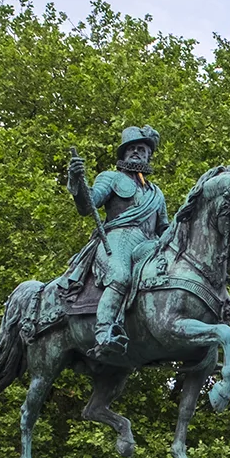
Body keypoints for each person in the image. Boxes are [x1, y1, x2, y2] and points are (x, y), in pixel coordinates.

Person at [59, 126, 170, 361]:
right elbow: (87, 206)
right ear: (123, 153)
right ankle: (104, 333)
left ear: (149, 155)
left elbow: (164, 228)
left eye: (142, 149)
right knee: (120, 276)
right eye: (132, 148)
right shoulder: (111, 178)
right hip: (117, 239)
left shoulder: (156, 193)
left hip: (149, 245)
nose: (137, 152)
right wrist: (76, 181)